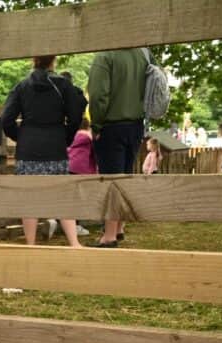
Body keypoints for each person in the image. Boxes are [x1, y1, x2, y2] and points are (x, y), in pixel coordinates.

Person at [1, 55, 86, 248]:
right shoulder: (64, 86)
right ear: (53, 61)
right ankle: (74, 243)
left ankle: (31, 244)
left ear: (33, 60)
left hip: (28, 149)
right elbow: (75, 117)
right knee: (62, 195)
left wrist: (20, 137)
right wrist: (66, 137)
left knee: (29, 198)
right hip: (55, 146)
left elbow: (6, 119)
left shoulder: (21, 87)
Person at [88, 47, 149, 247]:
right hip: (136, 125)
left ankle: (110, 235)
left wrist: (96, 124)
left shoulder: (105, 56)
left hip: (111, 125)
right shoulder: (143, 54)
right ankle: (120, 226)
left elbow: (98, 94)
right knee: (125, 175)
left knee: (111, 180)